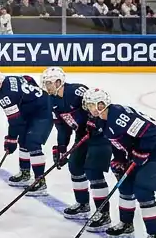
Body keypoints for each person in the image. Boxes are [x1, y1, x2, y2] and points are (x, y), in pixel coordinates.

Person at [83, 88, 156, 238]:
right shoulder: (103, 120)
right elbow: (117, 141)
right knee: (125, 185)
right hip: (141, 149)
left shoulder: (118, 117)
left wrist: (141, 152)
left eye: (90, 105)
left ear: (101, 105)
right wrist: (119, 159)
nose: (88, 108)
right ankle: (126, 225)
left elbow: (152, 133)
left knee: (143, 190)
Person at [42, 67, 109, 226]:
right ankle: (83, 204)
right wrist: (61, 147)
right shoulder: (51, 100)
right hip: (82, 135)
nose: (46, 86)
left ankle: (103, 213)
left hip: (100, 136)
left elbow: (97, 108)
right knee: (75, 166)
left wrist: (96, 124)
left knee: (93, 172)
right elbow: (62, 126)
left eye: (49, 83)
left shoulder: (76, 91)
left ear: (58, 82)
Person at [0, 69, 53, 196]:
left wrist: (11, 139)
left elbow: (15, 122)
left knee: (32, 142)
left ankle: (40, 181)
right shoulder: (10, 78)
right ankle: (25, 174)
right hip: (32, 110)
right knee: (23, 140)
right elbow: (28, 78)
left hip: (43, 111)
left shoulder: (5, 95)